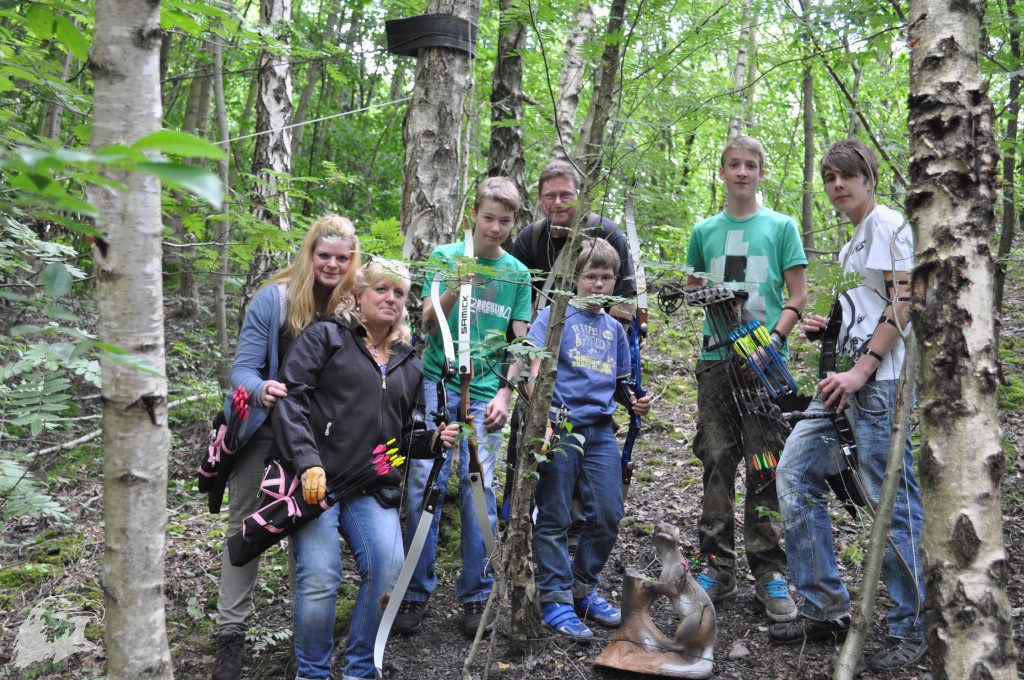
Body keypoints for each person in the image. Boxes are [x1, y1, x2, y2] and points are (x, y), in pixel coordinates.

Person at [769, 140, 927, 670]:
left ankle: (913, 626)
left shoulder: (887, 223)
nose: (838, 186)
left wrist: (863, 368)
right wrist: (829, 328)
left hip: (879, 385)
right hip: (846, 380)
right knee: (793, 473)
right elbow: (869, 309)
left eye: (847, 176)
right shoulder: (854, 241)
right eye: (830, 177)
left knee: (892, 501)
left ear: (869, 177)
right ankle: (827, 610)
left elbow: (907, 298)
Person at [273, 259, 461, 680]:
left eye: (399, 293)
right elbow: (291, 399)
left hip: (372, 487)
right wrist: (306, 462)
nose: (391, 298)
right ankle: (313, 673)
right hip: (316, 485)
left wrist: (431, 441)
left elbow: (402, 437)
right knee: (321, 578)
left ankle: (361, 668)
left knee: (389, 571)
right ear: (358, 295)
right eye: (381, 289)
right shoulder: (325, 337)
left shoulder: (409, 362)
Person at [211, 215, 360, 680]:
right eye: (324, 255)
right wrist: (262, 390)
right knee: (248, 530)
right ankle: (229, 637)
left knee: (306, 530)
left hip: (322, 443)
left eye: (342, 257)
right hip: (265, 431)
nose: (332, 265)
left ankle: (306, 643)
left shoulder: (355, 303)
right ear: (309, 253)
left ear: (352, 260)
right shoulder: (273, 299)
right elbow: (242, 371)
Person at [394, 176, 533, 638]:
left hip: (486, 395)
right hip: (438, 385)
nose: (495, 228)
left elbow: (521, 342)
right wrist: (456, 284)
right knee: (421, 487)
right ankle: (414, 592)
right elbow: (428, 324)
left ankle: (476, 594)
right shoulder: (444, 258)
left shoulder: (516, 273)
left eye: (505, 221)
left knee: (479, 492)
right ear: (473, 215)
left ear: (514, 223)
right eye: (488, 218)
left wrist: (505, 394)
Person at [493, 237, 651, 638]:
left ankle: (583, 588)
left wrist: (634, 401)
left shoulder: (615, 329)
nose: (598, 285)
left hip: (599, 431)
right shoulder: (554, 317)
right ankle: (556, 600)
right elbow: (530, 368)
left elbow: (619, 384)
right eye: (590, 277)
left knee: (609, 512)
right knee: (555, 515)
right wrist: (539, 419)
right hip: (560, 427)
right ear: (576, 279)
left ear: (615, 281)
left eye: (606, 277)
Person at [684, 135, 807, 623]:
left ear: (761, 172)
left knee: (765, 463)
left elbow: (797, 296)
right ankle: (716, 564)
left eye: (750, 165)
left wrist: (772, 341)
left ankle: (769, 569)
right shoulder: (704, 230)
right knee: (717, 458)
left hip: (764, 361)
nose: (741, 172)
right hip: (715, 360)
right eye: (733, 164)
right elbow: (692, 288)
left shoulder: (781, 226)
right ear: (722, 171)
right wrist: (712, 297)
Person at [512, 159, 636, 323]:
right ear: (540, 199)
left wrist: (614, 341)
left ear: (579, 196)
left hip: (598, 336)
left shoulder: (606, 232)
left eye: (566, 195)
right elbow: (520, 298)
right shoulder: (529, 239)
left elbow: (624, 297)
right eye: (550, 196)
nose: (558, 202)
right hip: (543, 336)